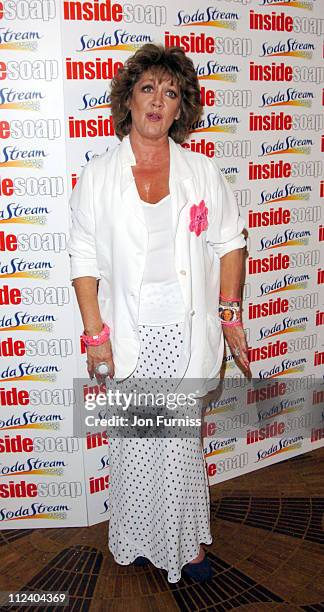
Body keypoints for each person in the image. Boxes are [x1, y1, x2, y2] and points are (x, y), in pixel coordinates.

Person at [67, 43, 250, 584]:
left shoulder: (201, 170)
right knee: (136, 441)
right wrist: (94, 333)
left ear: (180, 109)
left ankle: (186, 544)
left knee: (178, 442)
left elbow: (230, 242)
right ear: (128, 100)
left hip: (185, 330)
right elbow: (83, 258)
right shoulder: (98, 174)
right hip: (127, 333)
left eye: (170, 94)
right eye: (147, 89)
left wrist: (230, 313)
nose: (156, 102)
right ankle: (142, 538)